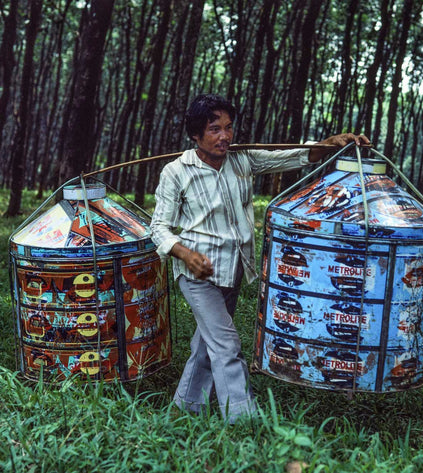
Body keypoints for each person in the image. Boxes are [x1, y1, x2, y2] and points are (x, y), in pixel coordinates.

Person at [150, 94, 370, 423]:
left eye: (228, 128)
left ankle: (185, 410)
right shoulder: (177, 171)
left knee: (205, 344)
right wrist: (186, 254)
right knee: (226, 344)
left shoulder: (242, 161)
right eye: (214, 129)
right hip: (198, 275)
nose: (225, 136)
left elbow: (291, 156)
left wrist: (328, 145)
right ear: (195, 134)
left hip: (233, 268)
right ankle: (243, 421)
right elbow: (158, 228)